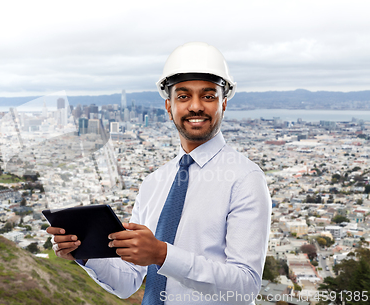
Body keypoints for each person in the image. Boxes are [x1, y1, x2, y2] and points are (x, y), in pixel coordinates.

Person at [47, 42, 271, 304]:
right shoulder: (153, 184)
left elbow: (245, 287)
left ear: (224, 104)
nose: (196, 106)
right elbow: (128, 282)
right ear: (169, 106)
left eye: (208, 96)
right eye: (183, 96)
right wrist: (84, 253)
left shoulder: (245, 179)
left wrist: (163, 255)